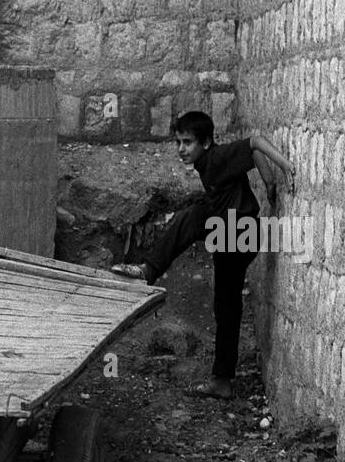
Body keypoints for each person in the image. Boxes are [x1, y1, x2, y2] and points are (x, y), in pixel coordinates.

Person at [111, 110, 294, 399]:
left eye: (187, 143)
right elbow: (251, 155)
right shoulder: (208, 162)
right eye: (178, 143)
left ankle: (149, 270)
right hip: (230, 233)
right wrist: (268, 182)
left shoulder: (217, 158)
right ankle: (222, 381)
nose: (181, 150)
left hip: (239, 232)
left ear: (206, 143)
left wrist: (284, 168)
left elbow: (256, 142)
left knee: (192, 218)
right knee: (226, 306)